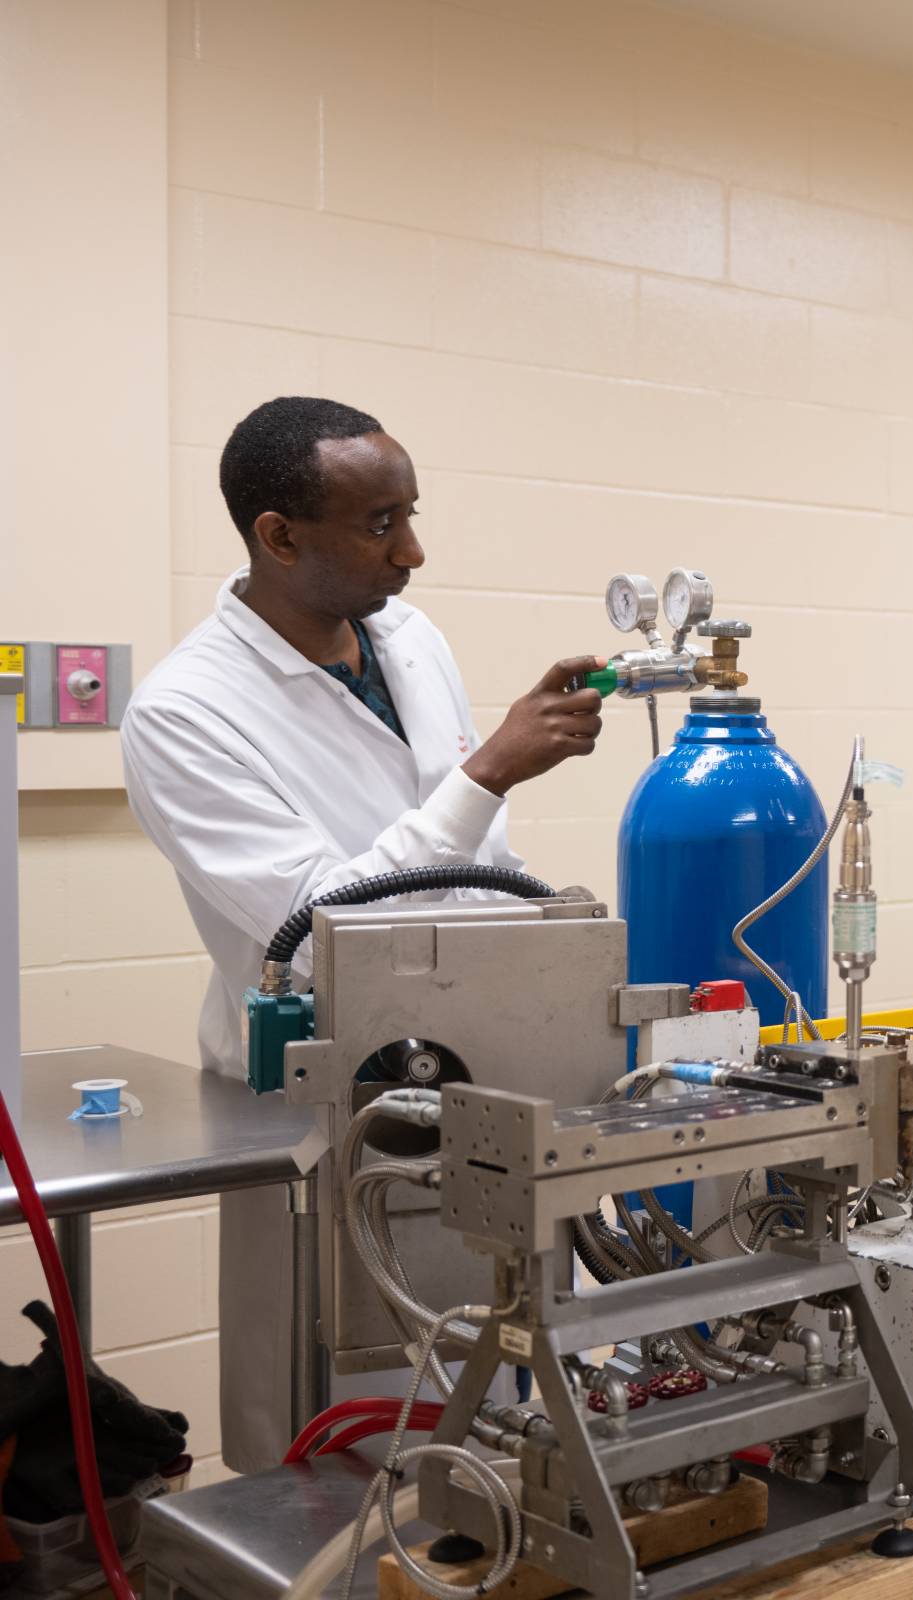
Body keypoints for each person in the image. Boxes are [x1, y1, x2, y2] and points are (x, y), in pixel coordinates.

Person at [121, 396, 606, 1470]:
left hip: (476, 1070)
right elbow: (319, 925)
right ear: (278, 535)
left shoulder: (410, 640)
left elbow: (474, 852)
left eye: (411, 514)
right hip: (325, 1104)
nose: (412, 550)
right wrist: (490, 769)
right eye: (381, 524)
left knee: (495, 1385)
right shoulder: (184, 712)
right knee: (336, 1419)